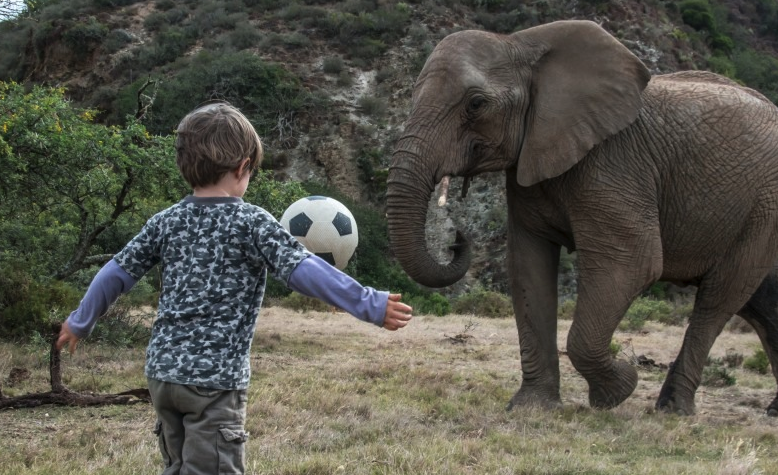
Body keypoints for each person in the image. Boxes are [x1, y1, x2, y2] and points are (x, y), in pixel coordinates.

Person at [56, 102, 413, 475]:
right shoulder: (252, 222)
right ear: (243, 167)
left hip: (163, 376)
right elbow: (303, 270)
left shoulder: (165, 221)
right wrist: (367, 303)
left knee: (177, 467)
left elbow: (115, 273)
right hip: (213, 384)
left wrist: (80, 322)